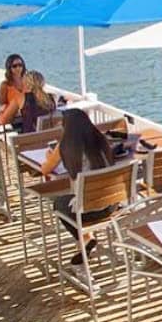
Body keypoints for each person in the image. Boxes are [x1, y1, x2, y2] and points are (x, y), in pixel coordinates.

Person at [43, 109, 113, 265]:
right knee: (76, 199)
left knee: (59, 204)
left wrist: (50, 155)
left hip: (88, 209)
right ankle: (87, 239)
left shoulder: (66, 146)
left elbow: (45, 169)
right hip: (112, 205)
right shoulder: (101, 141)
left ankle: (86, 238)